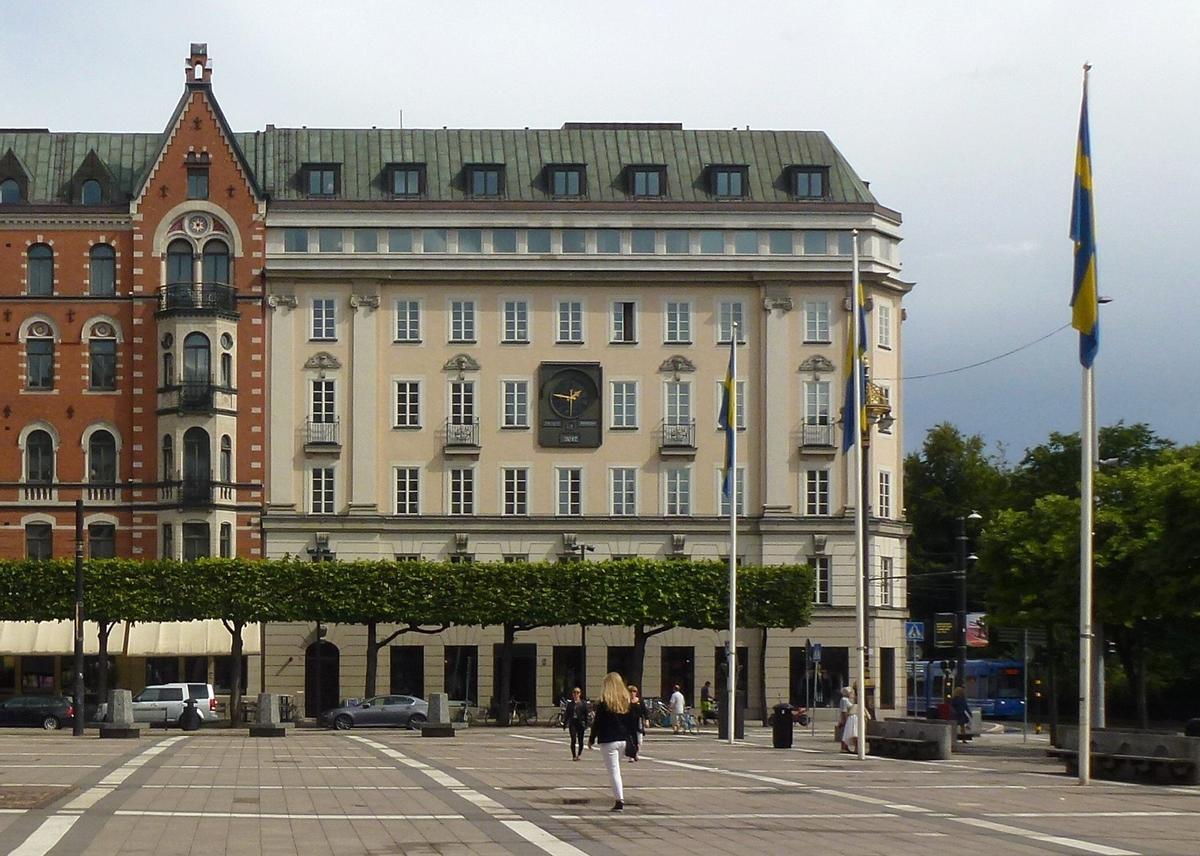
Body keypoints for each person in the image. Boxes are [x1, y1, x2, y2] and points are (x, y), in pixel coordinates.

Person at [588, 671, 631, 811]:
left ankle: (619, 800)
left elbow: (597, 723)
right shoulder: (625, 700)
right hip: (623, 740)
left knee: (614, 771)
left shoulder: (603, 703)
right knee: (617, 768)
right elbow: (630, 723)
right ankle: (619, 798)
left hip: (609, 740)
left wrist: (591, 739)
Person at [563, 687, 588, 761]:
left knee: (581, 740)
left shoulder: (583, 703)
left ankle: (579, 754)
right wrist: (565, 723)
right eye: (574, 693)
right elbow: (567, 714)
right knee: (573, 739)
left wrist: (586, 723)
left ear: (580, 694)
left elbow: (586, 714)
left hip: (580, 723)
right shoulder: (570, 704)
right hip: (573, 723)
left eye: (577, 693)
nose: (576, 694)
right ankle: (574, 755)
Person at [625, 685, 648, 761]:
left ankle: (636, 753)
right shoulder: (626, 701)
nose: (632, 693)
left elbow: (645, 711)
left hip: (638, 723)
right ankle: (631, 755)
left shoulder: (640, 701)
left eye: (634, 691)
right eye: (630, 691)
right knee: (630, 740)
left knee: (639, 740)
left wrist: (647, 720)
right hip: (628, 723)